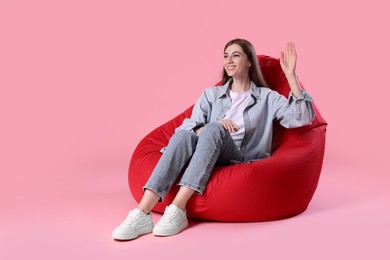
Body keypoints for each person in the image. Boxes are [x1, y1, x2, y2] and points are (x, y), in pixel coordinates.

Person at [112, 38, 315, 240]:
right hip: (206, 150)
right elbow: (188, 126)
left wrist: (291, 76)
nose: (229, 61)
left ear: (250, 61)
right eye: (226, 56)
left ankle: (177, 208)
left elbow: (303, 117)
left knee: (212, 130)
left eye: (236, 55)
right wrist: (214, 126)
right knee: (186, 134)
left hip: (239, 157)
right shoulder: (211, 94)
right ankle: (142, 213)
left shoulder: (267, 97)